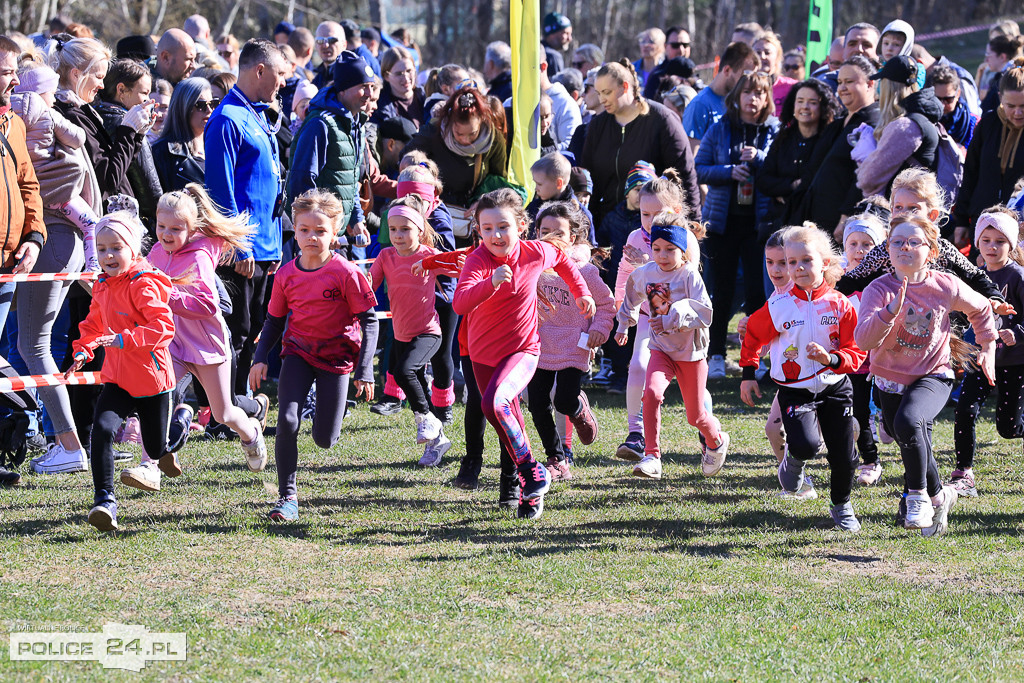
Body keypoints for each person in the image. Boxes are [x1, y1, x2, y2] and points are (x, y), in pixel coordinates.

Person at [452, 188, 595, 520]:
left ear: (520, 225)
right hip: (482, 355)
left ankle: (532, 471)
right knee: (505, 420)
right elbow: (460, 303)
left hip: (523, 350)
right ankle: (530, 492)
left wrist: (581, 292)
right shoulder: (478, 261)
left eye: (502, 226)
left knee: (494, 404)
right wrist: (490, 282)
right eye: (486, 228)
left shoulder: (535, 252)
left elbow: (562, 260)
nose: (495, 235)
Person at [855, 214, 998, 537]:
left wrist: (987, 346)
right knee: (905, 434)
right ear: (888, 249)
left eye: (913, 242)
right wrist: (889, 312)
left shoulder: (944, 284)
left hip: (934, 374)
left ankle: (917, 496)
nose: (904, 247)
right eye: (897, 242)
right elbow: (863, 340)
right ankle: (941, 494)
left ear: (931, 251)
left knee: (908, 422)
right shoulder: (878, 290)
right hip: (888, 377)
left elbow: (981, 308)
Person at [249, 189, 378, 523]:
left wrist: (365, 369)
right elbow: (274, 321)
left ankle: (324, 428)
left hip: (337, 361)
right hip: (298, 354)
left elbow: (370, 321)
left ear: (335, 232)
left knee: (324, 439)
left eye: (320, 231)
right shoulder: (286, 275)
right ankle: (287, 497)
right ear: (294, 228)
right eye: (304, 230)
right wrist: (260, 356)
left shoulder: (347, 273)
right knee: (288, 420)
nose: (311, 237)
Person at [740, 224, 867, 532]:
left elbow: (856, 351)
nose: (797, 268)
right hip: (794, 391)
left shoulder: (840, 306)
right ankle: (794, 460)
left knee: (844, 455)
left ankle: (842, 505)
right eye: (791, 262)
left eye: (805, 261)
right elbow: (754, 335)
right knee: (807, 445)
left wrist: (832, 359)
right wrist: (748, 373)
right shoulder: (779, 305)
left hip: (835, 388)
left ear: (824, 262)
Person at [65, 211, 176, 531]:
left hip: (152, 380)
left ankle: (178, 425)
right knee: (101, 430)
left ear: (133, 249)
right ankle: (105, 501)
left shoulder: (143, 284)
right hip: (117, 378)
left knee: (155, 449)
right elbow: (93, 324)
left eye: (116, 248)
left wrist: (124, 339)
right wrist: (83, 350)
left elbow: (163, 329)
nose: (108, 256)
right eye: (101, 249)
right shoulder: (101, 284)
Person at [616, 211, 728, 480]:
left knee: (696, 416)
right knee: (651, 394)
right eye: (656, 248)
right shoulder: (646, 273)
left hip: (690, 353)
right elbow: (631, 295)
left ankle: (716, 442)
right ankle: (652, 456)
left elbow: (705, 312)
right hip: (661, 350)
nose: (662, 255)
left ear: (683, 250)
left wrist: (675, 315)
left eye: (670, 249)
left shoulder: (689, 275)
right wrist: (624, 324)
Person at [205, 39, 288, 398]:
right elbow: (221, 192)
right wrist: (238, 246)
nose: (283, 83)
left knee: (255, 326)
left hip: (266, 245)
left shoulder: (256, 111)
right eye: (280, 74)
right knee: (235, 330)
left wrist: (277, 238)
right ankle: (227, 410)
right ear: (260, 70)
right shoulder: (226, 118)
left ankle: (243, 400)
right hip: (243, 250)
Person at [695, 71, 779, 380]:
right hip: (722, 223)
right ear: (737, 97)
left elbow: (778, 167)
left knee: (758, 293)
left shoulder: (774, 130)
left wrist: (759, 159)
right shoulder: (719, 129)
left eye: (759, 93)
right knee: (721, 290)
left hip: (759, 225)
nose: (753, 99)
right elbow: (700, 169)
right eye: (747, 93)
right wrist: (729, 171)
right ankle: (716, 354)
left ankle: (755, 358)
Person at [611, 168, 697, 453]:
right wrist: (623, 308)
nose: (649, 222)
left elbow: (683, 279)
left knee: (692, 387)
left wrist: (646, 262)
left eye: (656, 214)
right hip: (650, 320)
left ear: (676, 211)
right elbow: (626, 274)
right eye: (644, 215)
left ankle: (707, 431)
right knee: (638, 365)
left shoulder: (686, 239)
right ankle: (635, 434)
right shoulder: (636, 237)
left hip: (684, 326)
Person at [530, 201, 614, 481]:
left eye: (558, 233)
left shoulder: (586, 271)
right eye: (544, 231)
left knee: (564, 400)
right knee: (537, 402)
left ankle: (580, 409)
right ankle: (557, 458)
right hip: (539, 345)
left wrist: (601, 328)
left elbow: (605, 304)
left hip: (574, 345)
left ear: (573, 238)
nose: (550, 238)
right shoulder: (534, 267)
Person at [370, 194, 452, 466]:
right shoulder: (385, 256)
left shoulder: (428, 255)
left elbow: (459, 270)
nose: (398, 235)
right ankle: (436, 441)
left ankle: (426, 421)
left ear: (419, 229)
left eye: (405, 229)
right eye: (393, 229)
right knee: (410, 378)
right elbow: (369, 285)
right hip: (401, 333)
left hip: (429, 332)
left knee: (404, 371)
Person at [951, 208, 1024, 498]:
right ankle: (964, 473)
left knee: (1008, 428)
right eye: (986, 240)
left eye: (1000, 241)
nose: (992, 247)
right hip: (979, 359)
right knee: (965, 410)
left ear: (1012, 245)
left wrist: (1016, 333)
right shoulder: (974, 277)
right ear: (977, 243)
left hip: (1014, 362)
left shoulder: (1017, 277)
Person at [580, 60, 700, 230]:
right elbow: (588, 180)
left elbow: (685, 180)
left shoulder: (663, 121)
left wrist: (691, 230)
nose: (602, 99)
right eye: (598, 93)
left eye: (607, 92)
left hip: (654, 230)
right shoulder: (597, 126)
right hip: (608, 228)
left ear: (625, 87)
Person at [0, 37, 45, 486]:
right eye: (4, 72)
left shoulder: (12, 123)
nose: (13, 79)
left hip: (9, 262)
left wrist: (33, 237)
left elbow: (28, 185)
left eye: (14, 70)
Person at [10, 63, 98, 269]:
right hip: (58, 191)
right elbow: (77, 138)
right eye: (52, 93)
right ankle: (93, 269)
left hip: (28, 192)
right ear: (42, 92)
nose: (55, 98)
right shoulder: (48, 113)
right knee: (91, 225)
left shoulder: (8, 115)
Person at [288, 50, 373, 248]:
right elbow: (302, 182)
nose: (369, 94)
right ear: (342, 90)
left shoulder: (355, 123)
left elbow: (348, 179)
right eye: (362, 87)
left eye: (371, 86)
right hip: (316, 240)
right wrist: (319, 230)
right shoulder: (320, 124)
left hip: (333, 234)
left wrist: (356, 220)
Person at [795, 56, 879, 238]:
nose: (842, 88)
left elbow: (864, 177)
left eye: (849, 82)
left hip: (841, 226)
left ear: (870, 83)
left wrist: (845, 217)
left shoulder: (872, 124)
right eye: (840, 82)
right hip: (815, 219)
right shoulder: (837, 124)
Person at [403, 87, 507, 226]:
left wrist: (483, 200)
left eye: (472, 133)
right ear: (450, 122)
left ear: (482, 121)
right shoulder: (435, 131)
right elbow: (406, 158)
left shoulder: (493, 139)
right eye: (459, 134)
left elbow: (498, 179)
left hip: (472, 216)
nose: (465, 140)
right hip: (435, 212)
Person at [854, 56, 943, 206]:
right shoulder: (923, 118)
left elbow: (868, 179)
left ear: (888, 87)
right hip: (914, 207)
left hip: (904, 212)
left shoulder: (906, 126)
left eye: (881, 82)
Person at [757, 78, 841, 236]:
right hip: (779, 224)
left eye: (812, 102)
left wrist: (785, 192)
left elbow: (816, 183)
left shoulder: (830, 140)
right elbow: (763, 180)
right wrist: (792, 185)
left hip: (814, 227)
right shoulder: (783, 139)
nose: (805, 107)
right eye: (800, 101)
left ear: (823, 106)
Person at [952, 65, 1024, 249]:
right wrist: (961, 219)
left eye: (1023, 106)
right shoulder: (988, 124)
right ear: (1000, 98)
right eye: (1011, 106)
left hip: (1019, 225)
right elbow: (970, 173)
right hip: (983, 220)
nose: (1018, 113)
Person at [839, 212, 887, 486]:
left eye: (867, 244)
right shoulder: (838, 278)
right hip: (854, 359)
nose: (859, 250)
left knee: (887, 406)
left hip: (885, 357)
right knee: (858, 411)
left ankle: (887, 422)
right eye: (853, 244)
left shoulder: (886, 279)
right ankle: (870, 460)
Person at [95, 58, 162, 229]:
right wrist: (159, 213)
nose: (149, 101)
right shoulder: (128, 124)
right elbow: (147, 181)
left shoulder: (94, 118)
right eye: (145, 93)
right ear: (122, 90)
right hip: (131, 221)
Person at [682, 42, 759, 152]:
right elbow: (692, 159)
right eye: (744, 76)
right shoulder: (700, 106)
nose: (749, 82)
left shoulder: (739, 103)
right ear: (727, 70)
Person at [150, 77, 213, 193]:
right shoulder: (162, 152)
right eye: (201, 105)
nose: (209, 110)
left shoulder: (219, 145)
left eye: (213, 103)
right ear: (184, 107)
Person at [372, 46, 424, 127]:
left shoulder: (426, 98)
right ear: (386, 76)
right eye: (399, 74)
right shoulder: (377, 106)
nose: (406, 79)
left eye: (409, 71)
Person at [929, 64, 977, 149]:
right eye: (937, 99)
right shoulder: (924, 122)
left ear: (958, 94)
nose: (942, 105)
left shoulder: (973, 124)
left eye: (948, 99)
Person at [754, 32, 797, 113]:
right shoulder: (743, 86)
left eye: (767, 53)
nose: (762, 57)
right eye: (758, 52)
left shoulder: (791, 86)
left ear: (777, 57)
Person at [312, 21, 347, 89]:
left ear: (344, 44)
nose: (325, 45)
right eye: (320, 40)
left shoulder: (351, 74)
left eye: (332, 40)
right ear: (315, 45)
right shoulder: (317, 78)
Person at [541, 12, 572, 76]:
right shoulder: (553, 56)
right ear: (552, 34)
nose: (570, 38)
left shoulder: (536, 50)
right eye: (566, 33)